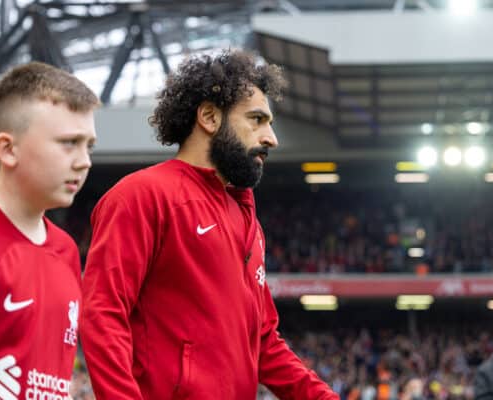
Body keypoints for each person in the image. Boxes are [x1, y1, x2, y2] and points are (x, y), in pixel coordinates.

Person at [80, 50, 338, 399]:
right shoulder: (140, 196)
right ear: (209, 117)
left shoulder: (247, 221)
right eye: (257, 120)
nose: (271, 138)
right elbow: (103, 316)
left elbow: (264, 343)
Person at [0, 62, 99, 398]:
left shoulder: (66, 250)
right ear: (8, 149)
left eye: (89, 145)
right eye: (69, 143)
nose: (85, 161)